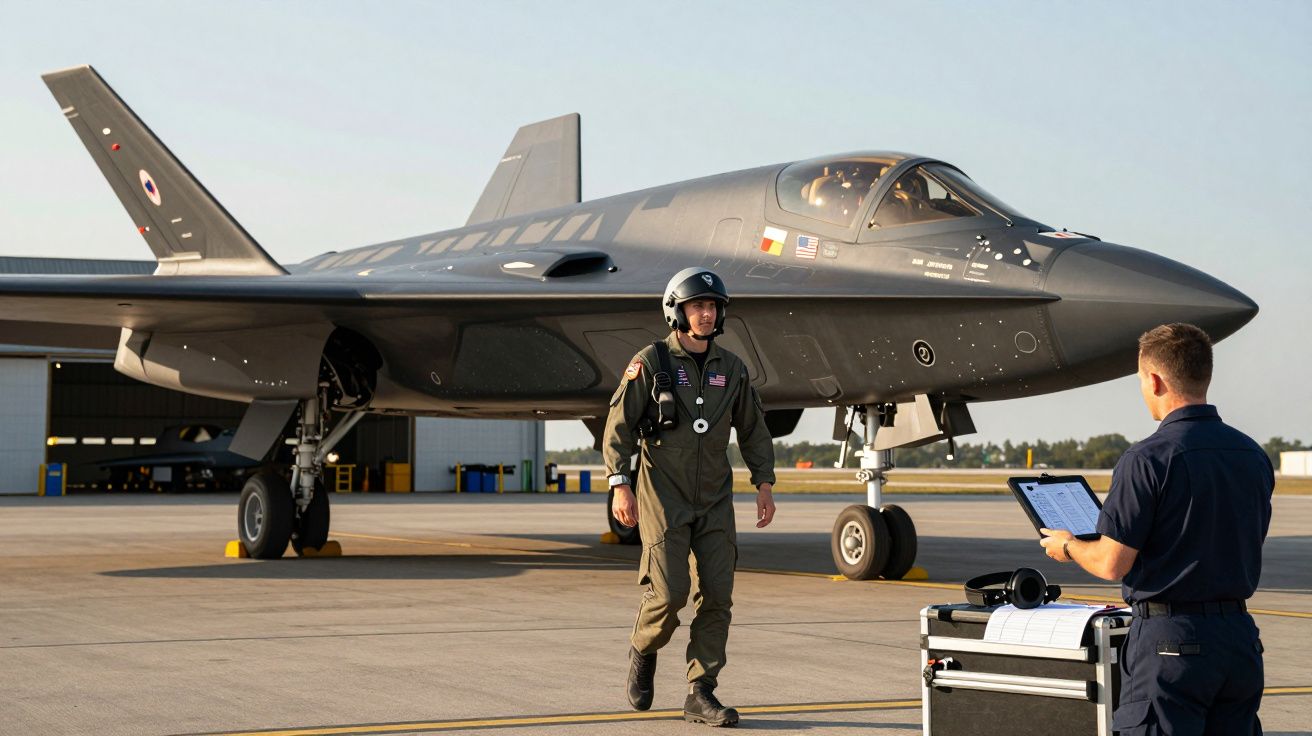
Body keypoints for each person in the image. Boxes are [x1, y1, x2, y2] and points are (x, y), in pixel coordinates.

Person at [1040, 323, 1273, 735]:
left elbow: (1113, 562)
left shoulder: (1147, 459)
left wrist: (1069, 545)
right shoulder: (1251, 454)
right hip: (1239, 641)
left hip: (1171, 643)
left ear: (1155, 379)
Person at [603, 267, 777, 727]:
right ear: (677, 311)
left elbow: (754, 430)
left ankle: (701, 691)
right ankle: (643, 647)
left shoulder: (732, 369)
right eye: (697, 306)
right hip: (663, 494)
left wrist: (764, 483)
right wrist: (620, 484)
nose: (705, 314)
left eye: (712, 306)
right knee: (671, 593)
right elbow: (618, 427)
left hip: (715, 498)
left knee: (718, 595)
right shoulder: (652, 362)